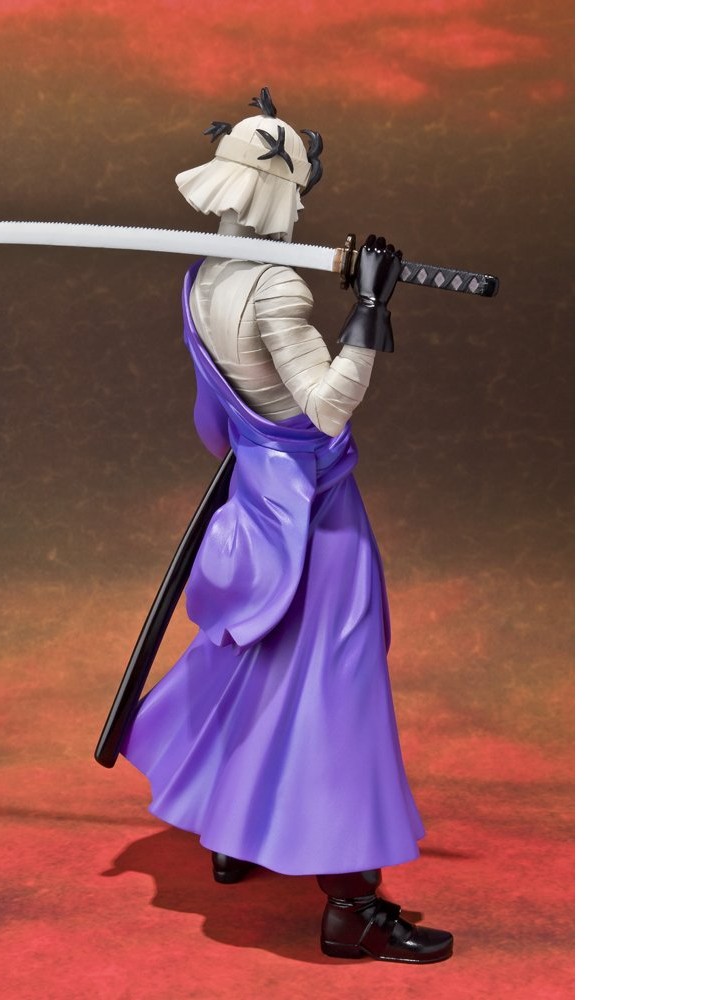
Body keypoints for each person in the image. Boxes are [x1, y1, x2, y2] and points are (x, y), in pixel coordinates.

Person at [120, 89, 453, 964]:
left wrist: (261, 448)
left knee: (262, 669)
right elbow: (330, 405)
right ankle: (352, 908)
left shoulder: (203, 278)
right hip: (316, 514)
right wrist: (370, 311)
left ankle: (238, 831)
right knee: (338, 694)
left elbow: (214, 425)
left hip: (258, 499)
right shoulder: (272, 285)